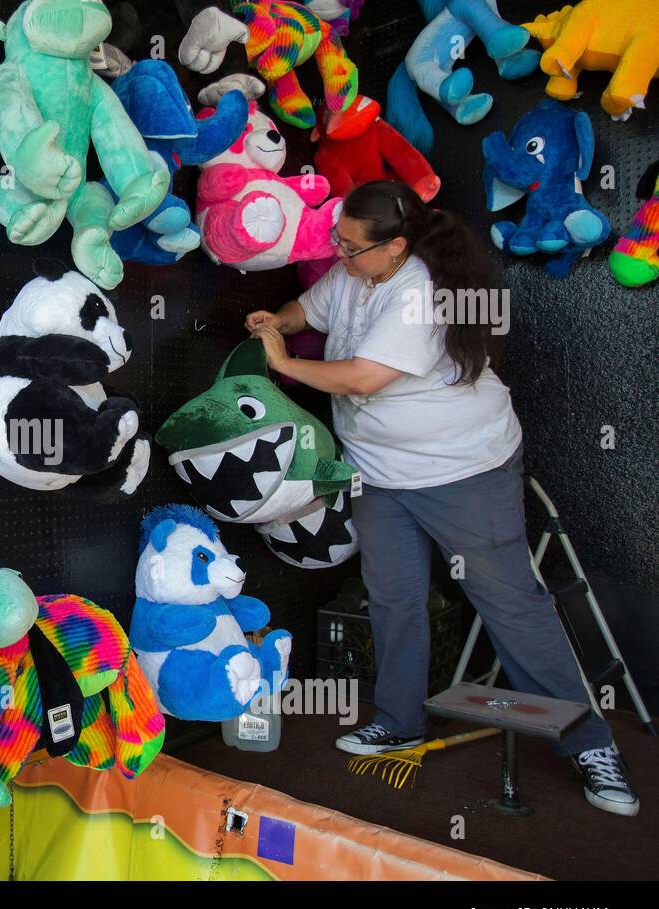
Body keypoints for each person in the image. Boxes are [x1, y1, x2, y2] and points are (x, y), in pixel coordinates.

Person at [244, 180, 639, 817]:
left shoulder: (420, 289)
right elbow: (307, 308)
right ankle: (400, 721)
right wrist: (276, 321)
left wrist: (283, 362)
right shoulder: (354, 273)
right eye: (336, 242)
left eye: (350, 246)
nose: (337, 254)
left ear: (395, 246)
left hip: (464, 469)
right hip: (380, 472)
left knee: (511, 605)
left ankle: (590, 744)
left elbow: (363, 376)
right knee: (395, 597)